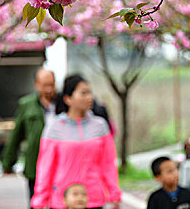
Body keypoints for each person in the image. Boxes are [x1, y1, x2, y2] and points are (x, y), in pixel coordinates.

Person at [31, 74, 122, 209]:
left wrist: (114, 193)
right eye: (83, 93)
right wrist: (40, 198)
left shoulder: (100, 126)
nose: (89, 98)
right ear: (68, 99)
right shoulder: (54, 127)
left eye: (89, 93)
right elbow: (45, 167)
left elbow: (108, 163)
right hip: (63, 199)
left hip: (93, 198)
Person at [2, 68, 57, 206]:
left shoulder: (62, 104)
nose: (49, 89)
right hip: (35, 164)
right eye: (45, 85)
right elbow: (16, 136)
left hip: (58, 165)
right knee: (36, 202)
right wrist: (8, 162)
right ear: (36, 85)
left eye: (52, 84)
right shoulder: (26, 105)